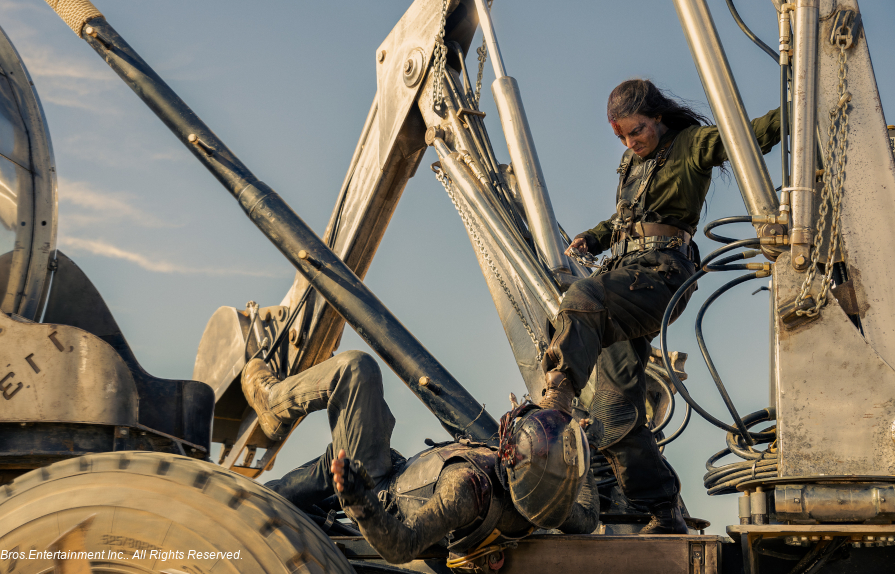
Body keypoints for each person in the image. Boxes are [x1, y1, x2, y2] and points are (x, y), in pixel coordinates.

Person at [545, 78, 781, 534]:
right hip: (624, 278)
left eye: (638, 131)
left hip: (661, 276)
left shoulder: (692, 144)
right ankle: (663, 510)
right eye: (622, 137)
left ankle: (557, 398)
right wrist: (593, 237)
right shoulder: (631, 165)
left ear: (657, 118)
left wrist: (799, 108)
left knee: (581, 297)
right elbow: (622, 219)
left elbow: (747, 135)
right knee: (616, 412)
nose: (631, 143)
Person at [242, 351, 599, 568]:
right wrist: (576, 434)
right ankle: (265, 498)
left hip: (377, 490)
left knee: (356, 370)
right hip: (393, 470)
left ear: (511, 454)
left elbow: (401, 546)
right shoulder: (546, 499)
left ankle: (273, 403)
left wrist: (360, 500)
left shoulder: (466, 489)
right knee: (310, 475)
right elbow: (585, 513)